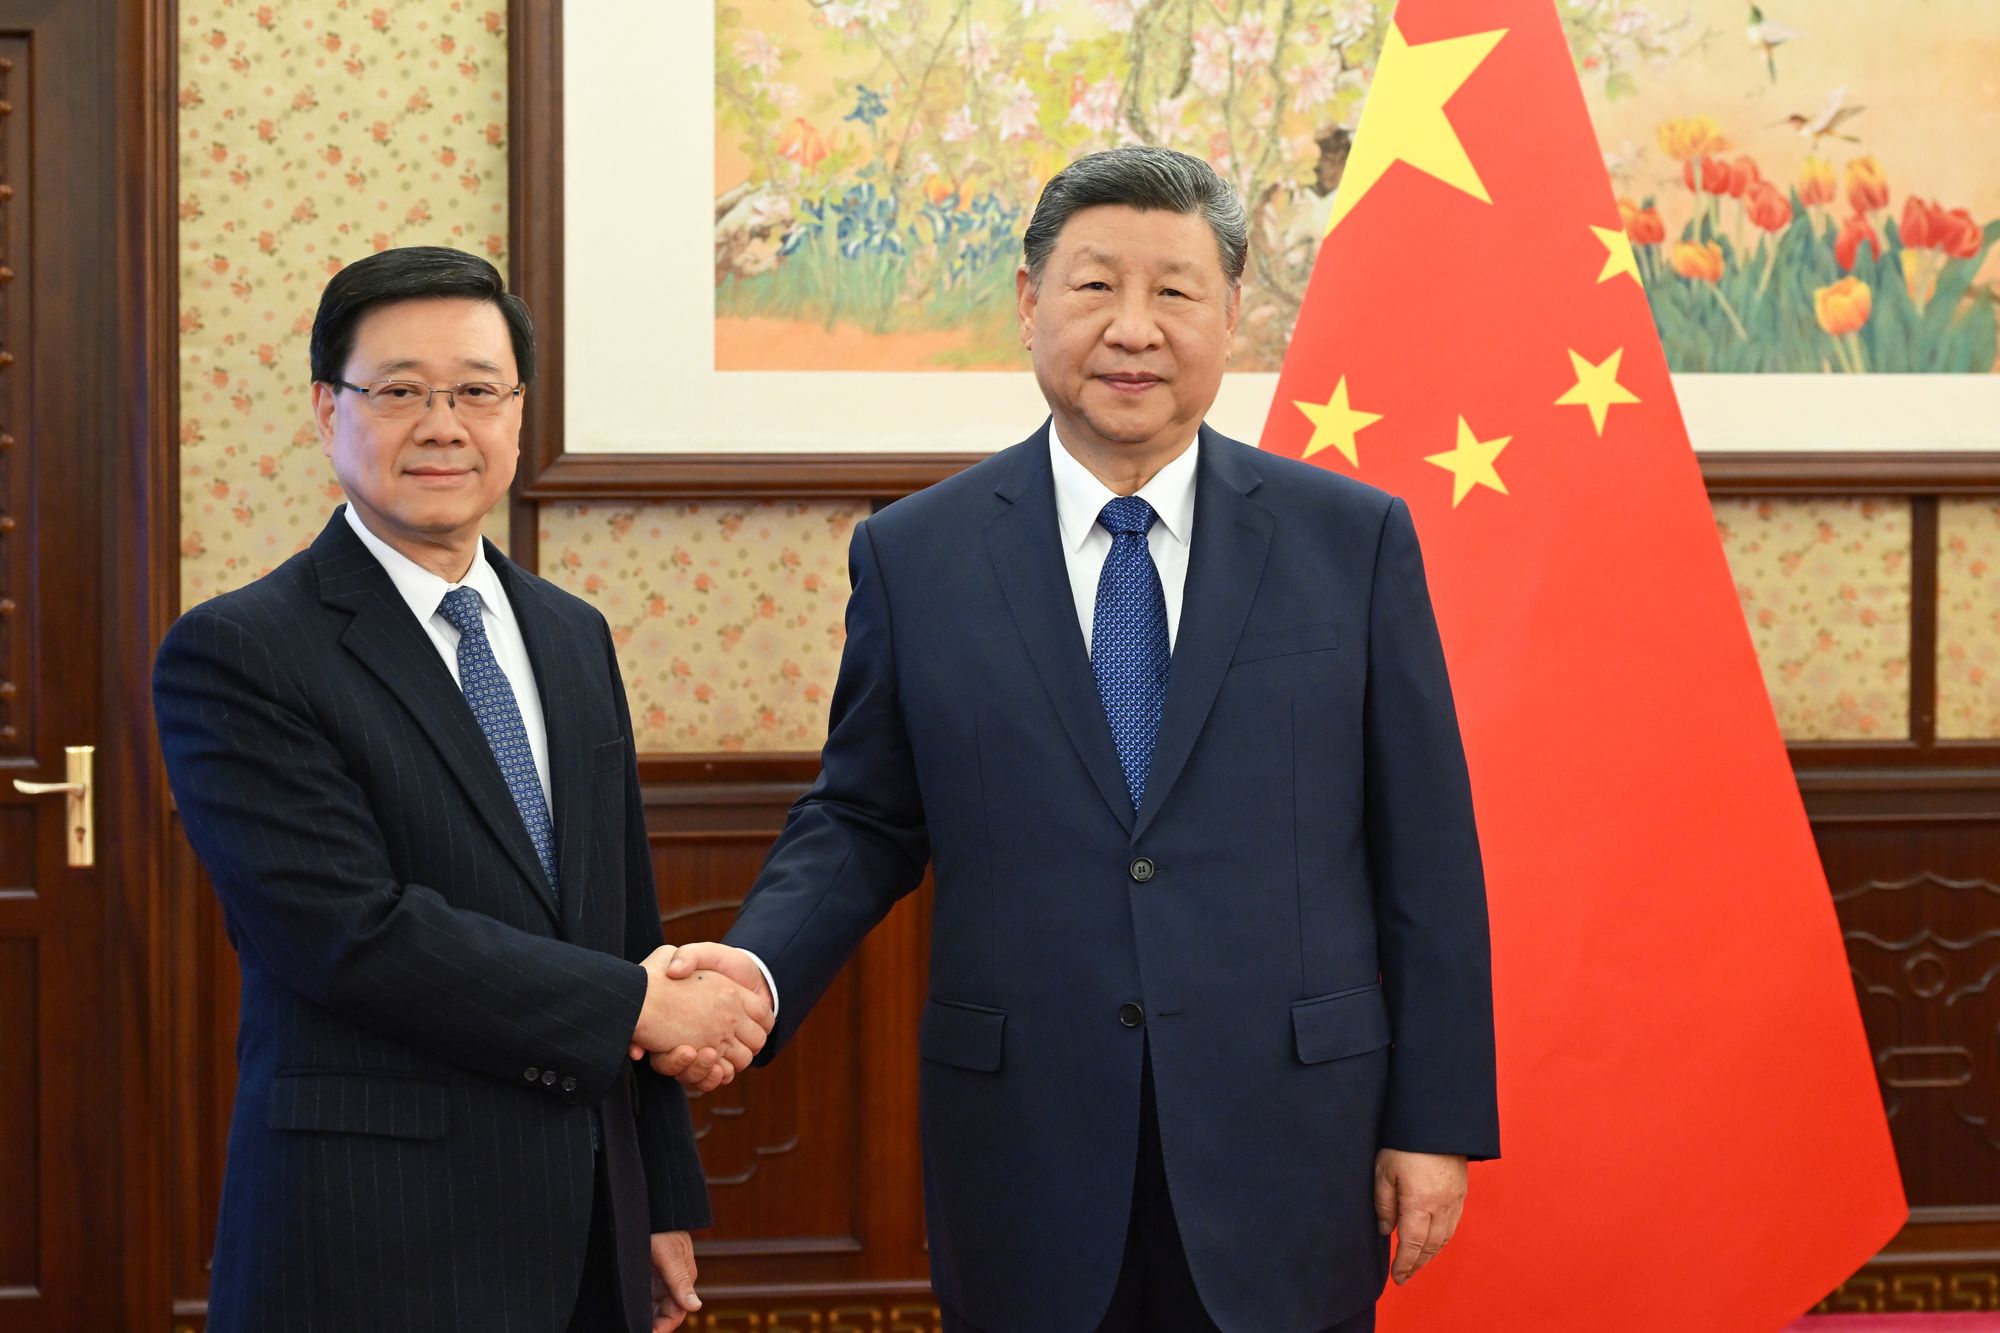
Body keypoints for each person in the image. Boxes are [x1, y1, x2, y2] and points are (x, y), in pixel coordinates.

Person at [660, 148, 1500, 1332]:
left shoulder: (1348, 541)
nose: (1133, 329)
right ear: (1026, 304)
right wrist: (753, 969)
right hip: (1025, 1136)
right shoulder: (917, 554)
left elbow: (1424, 848)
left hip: (1290, 1136)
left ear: (1233, 315)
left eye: (1175, 291)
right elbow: (862, 815)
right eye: (1095, 286)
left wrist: (1434, 1119)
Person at [153, 246, 772, 1333]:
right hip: (372, 1234)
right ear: (324, 411)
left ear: (517, 415)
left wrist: (657, 1199)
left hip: (586, 1222)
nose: (442, 424)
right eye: (398, 391)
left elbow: (623, 917)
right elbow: (349, 933)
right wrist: (641, 1004)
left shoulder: (570, 635)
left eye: (476, 391)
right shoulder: (241, 651)